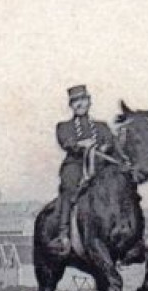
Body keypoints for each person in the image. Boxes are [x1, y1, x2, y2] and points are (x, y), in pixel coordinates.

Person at [50, 84, 117, 256]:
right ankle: (63, 235)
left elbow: (110, 142)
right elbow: (66, 142)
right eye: (75, 101)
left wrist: (102, 147)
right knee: (69, 185)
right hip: (75, 165)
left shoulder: (102, 126)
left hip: (100, 165)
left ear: (89, 102)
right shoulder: (63, 126)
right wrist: (81, 145)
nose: (80, 104)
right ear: (71, 105)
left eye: (83, 99)